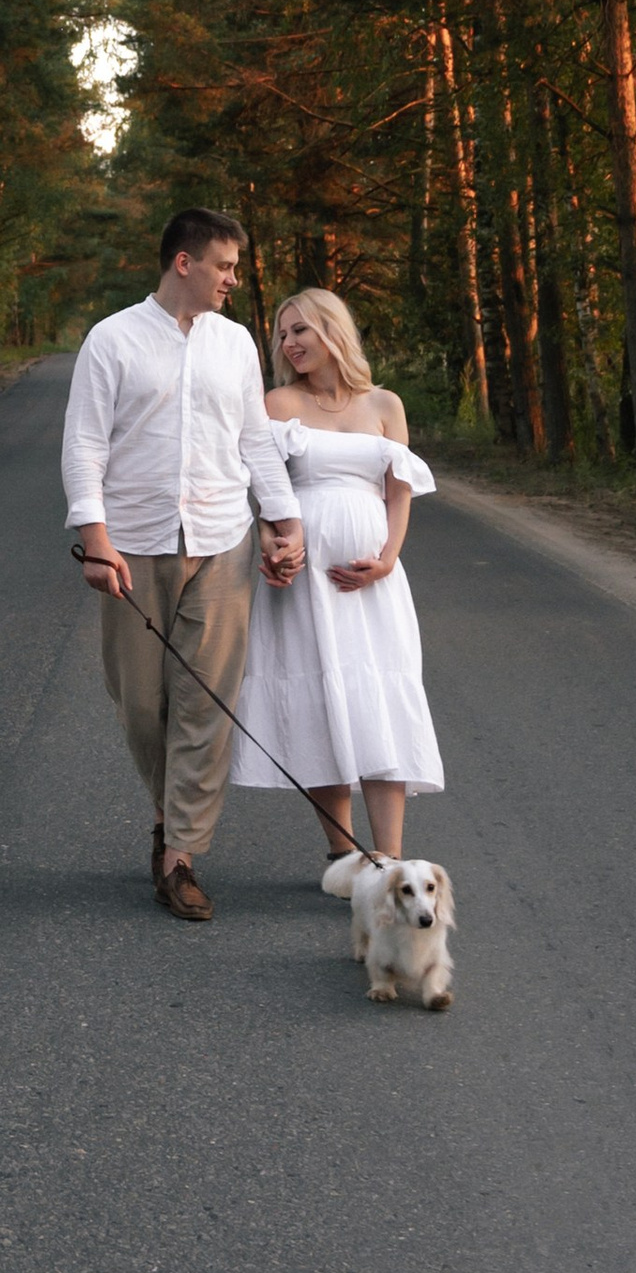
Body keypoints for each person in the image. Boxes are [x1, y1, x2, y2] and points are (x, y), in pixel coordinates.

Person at [62, 206, 305, 923]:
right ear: (185, 263)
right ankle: (170, 817)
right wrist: (96, 539)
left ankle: (180, 856)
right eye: (226, 266)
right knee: (143, 706)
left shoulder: (235, 345)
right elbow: (84, 447)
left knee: (205, 704)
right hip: (133, 547)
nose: (235, 279)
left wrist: (284, 524)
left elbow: (255, 442)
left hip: (223, 540)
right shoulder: (111, 341)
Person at [235, 287, 442, 886]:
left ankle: (392, 861)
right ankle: (345, 854)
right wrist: (272, 546)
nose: (289, 343)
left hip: (372, 583)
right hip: (303, 584)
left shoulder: (384, 404)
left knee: (379, 696)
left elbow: (398, 491)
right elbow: (264, 491)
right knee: (318, 701)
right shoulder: (276, 403)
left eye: (301, 330)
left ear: (333, 331)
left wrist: (386, 558)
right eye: (282, 334)